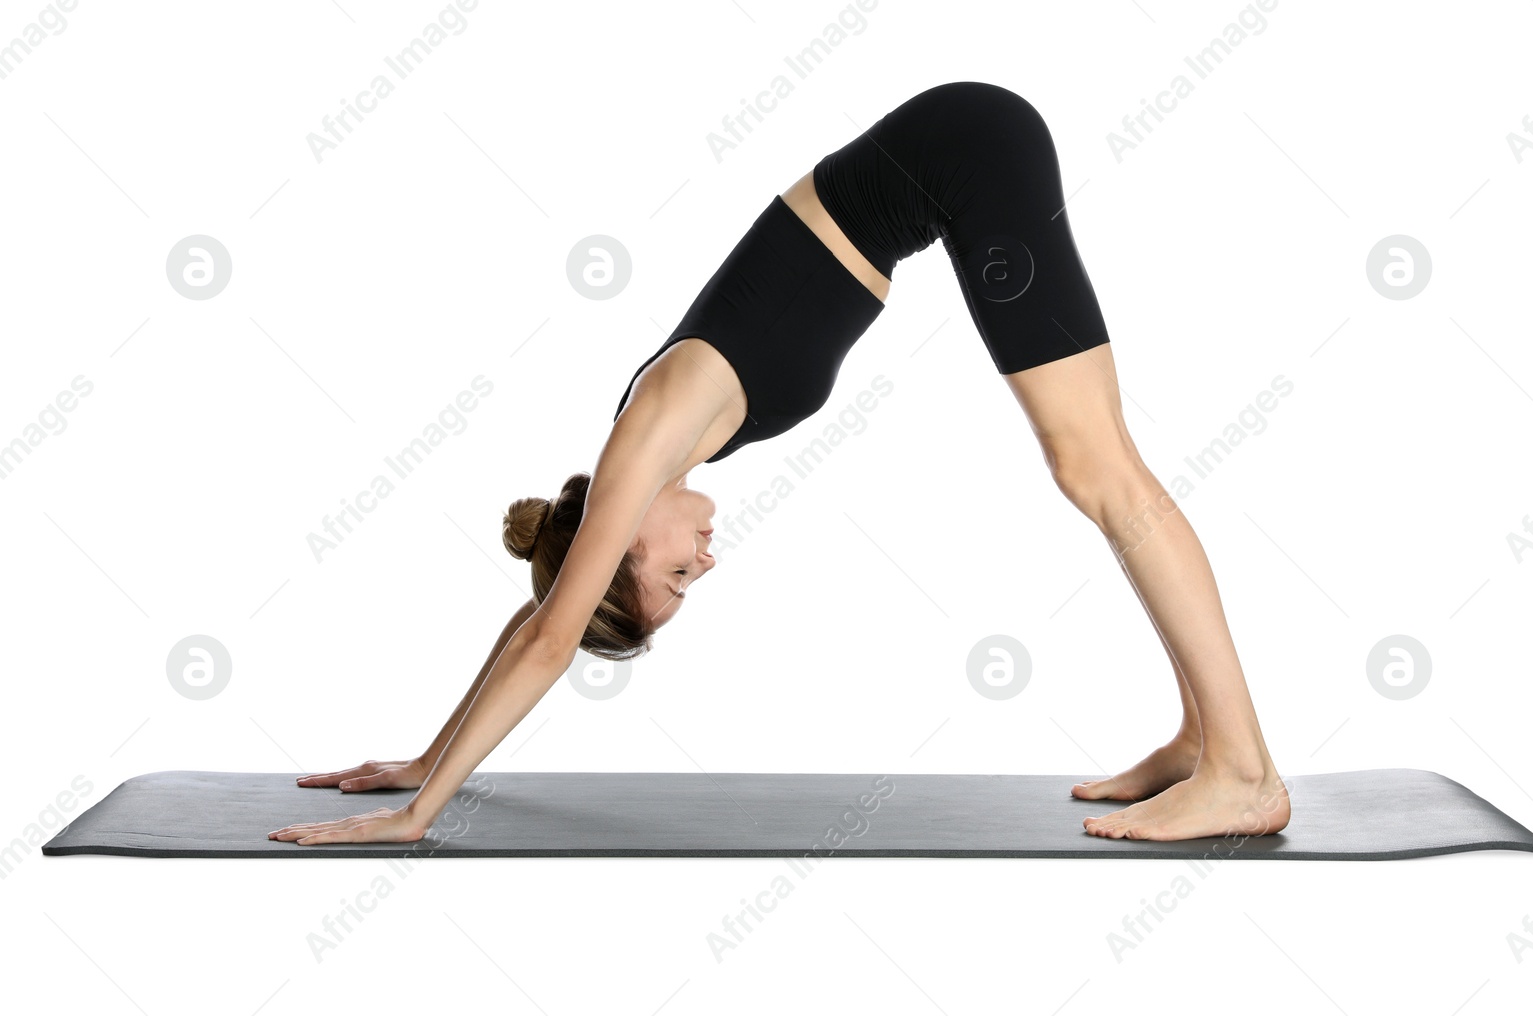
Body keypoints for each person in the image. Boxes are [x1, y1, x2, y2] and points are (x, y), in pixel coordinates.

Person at [270, 82, 1289, 846]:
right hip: (956, 159)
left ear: (620, 541)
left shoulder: (646, 438)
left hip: (965, 151)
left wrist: (420, 815)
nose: (701, 567)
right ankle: (1202, 741)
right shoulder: (644, 455)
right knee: (1090, 466)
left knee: (1092, 467)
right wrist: (424, 757)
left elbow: (547, 638)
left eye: (671, 576)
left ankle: (1242, 771)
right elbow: (538, 617)